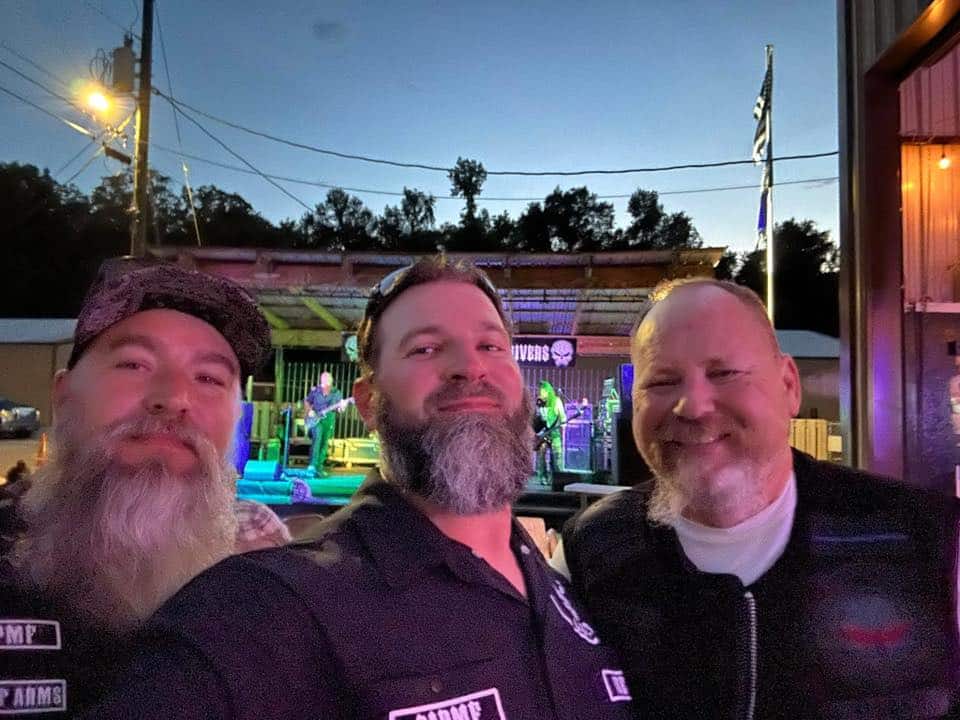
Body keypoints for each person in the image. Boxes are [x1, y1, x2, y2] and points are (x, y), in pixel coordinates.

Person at [81, 256, 635, 720]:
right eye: (425, 348)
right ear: (368, 402)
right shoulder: (269, 609)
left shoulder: (582, 588)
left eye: (492, 346)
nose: (470, 367)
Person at [561, 277, 960, 719]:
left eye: (724, 373)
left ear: (789, 385)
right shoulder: (588, 552)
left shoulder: (931, 540)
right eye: (662, 381)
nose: (692, 406)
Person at [0, 260, 274, 718]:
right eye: (134, 364)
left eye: (209, 378)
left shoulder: (268, 565)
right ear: (63, 396)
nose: (174, 398)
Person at [304, 370, 343, 475]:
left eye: (328, 379)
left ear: (331, 380)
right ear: (321, 380)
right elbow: (307, 401)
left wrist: (341, 408)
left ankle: (319, 467)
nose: (326, 380)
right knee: (317, 438)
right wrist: (310, 411)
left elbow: (339, 408)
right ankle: (312, 465)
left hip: (329, 420)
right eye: (324, 378)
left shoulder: (336, 392)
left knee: (324, 443)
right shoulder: (315, 391)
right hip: (316, 420)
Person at [534, 380, 566, 483]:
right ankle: (543, 477)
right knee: (541, 455)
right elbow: (538, 419)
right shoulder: (540, 403)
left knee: (557, 457)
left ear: (548, 391)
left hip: (554, 433)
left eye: (544, 391)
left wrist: (563, 424)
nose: (542, 394)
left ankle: (557, 479)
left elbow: (563, 416)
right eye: (541, 391)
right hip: (543, 434)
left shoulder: (556, 401)